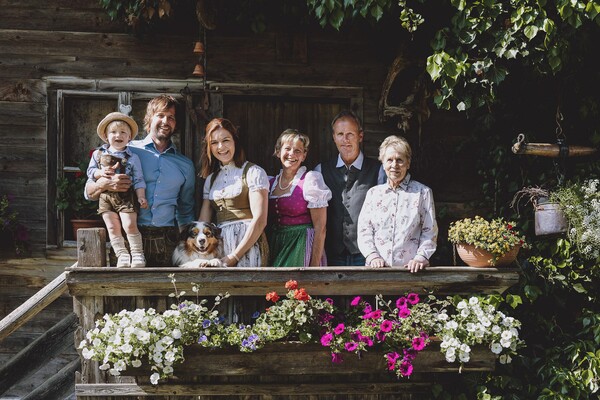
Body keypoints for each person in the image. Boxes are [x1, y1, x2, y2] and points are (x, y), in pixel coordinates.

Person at [85, 95, 196, 266]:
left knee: (169, 292)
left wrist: (188, 248)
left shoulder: (185, 165)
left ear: (176, 124)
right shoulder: (125, 151)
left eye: (171, 117)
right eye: (160, 115)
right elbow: (89, 192)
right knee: (126, 292)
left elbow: (185, 211)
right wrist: (104, 183)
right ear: (149, 118)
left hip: (168, 241)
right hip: (129, 240)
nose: (165, 121)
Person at [357, 135, 438, 273]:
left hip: (411, 272)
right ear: (382, 163)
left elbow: (429, 231)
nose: (394, 165)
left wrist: (420, 258)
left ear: (408, 163)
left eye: (400, 160)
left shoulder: (422, 193)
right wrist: (372, 256)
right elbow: (364, 230)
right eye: (389, 160)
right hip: (376, 271)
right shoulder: (373, 194)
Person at [315, 110, 385, 266]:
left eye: (350, 134)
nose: (345, 140)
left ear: (360, 136)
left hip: (367, 255)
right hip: (331, 254)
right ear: (334, 137)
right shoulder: (320, 171)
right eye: (340, 134)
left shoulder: (378, 171)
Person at [198, 118, 269, 267]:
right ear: (209, 147)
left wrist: (235, 256)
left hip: (247, 245)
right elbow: (202, 225)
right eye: (214, 142)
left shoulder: (253, 172)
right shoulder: (211, 179)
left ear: (235, 141)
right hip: (219, 247)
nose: (221, 147)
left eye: (226, 140)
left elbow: (260, 220)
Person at [87, 112, 148, 268]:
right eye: (113, 132)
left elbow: (139, 179)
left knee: (129, 225)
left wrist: (141, 196)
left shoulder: (133, 157)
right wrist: (100, 173)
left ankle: (137, 253)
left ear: (129, 138)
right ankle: (122, 255)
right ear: (106, 137)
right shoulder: (98, 153)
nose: (118, 135)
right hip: (105, 197)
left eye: (123, 132)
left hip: (126, 196)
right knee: (112, 227)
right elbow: (91, 171)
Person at [268, 129, 332, 267]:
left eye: (298, 151)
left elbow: (320, 227)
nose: (292, 154)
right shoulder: (269, 183)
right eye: (287, 149)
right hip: (275, 245)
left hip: (301, 245)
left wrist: (314, 265)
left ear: (304, 156)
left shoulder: (310, 180)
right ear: (278, 152)